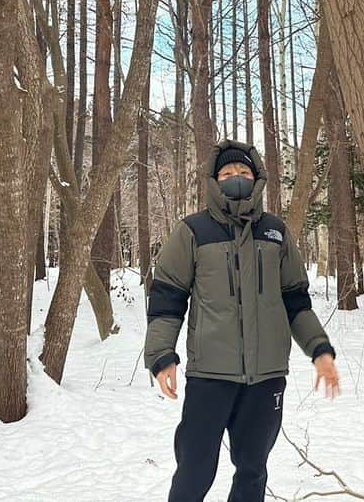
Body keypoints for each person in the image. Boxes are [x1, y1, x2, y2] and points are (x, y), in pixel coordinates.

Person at [144, 139, 341, 502]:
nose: (236, 178)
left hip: (265, 379)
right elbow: (167, 298)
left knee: (253, 470)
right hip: (209, 376)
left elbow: (295, 301)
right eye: (228, 173)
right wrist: (161, 355)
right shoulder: (193, 231)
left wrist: (319, 349)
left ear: (258, 179)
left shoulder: (276, 233)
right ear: (214, 181)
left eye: (244, 172)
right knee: (195, 468)